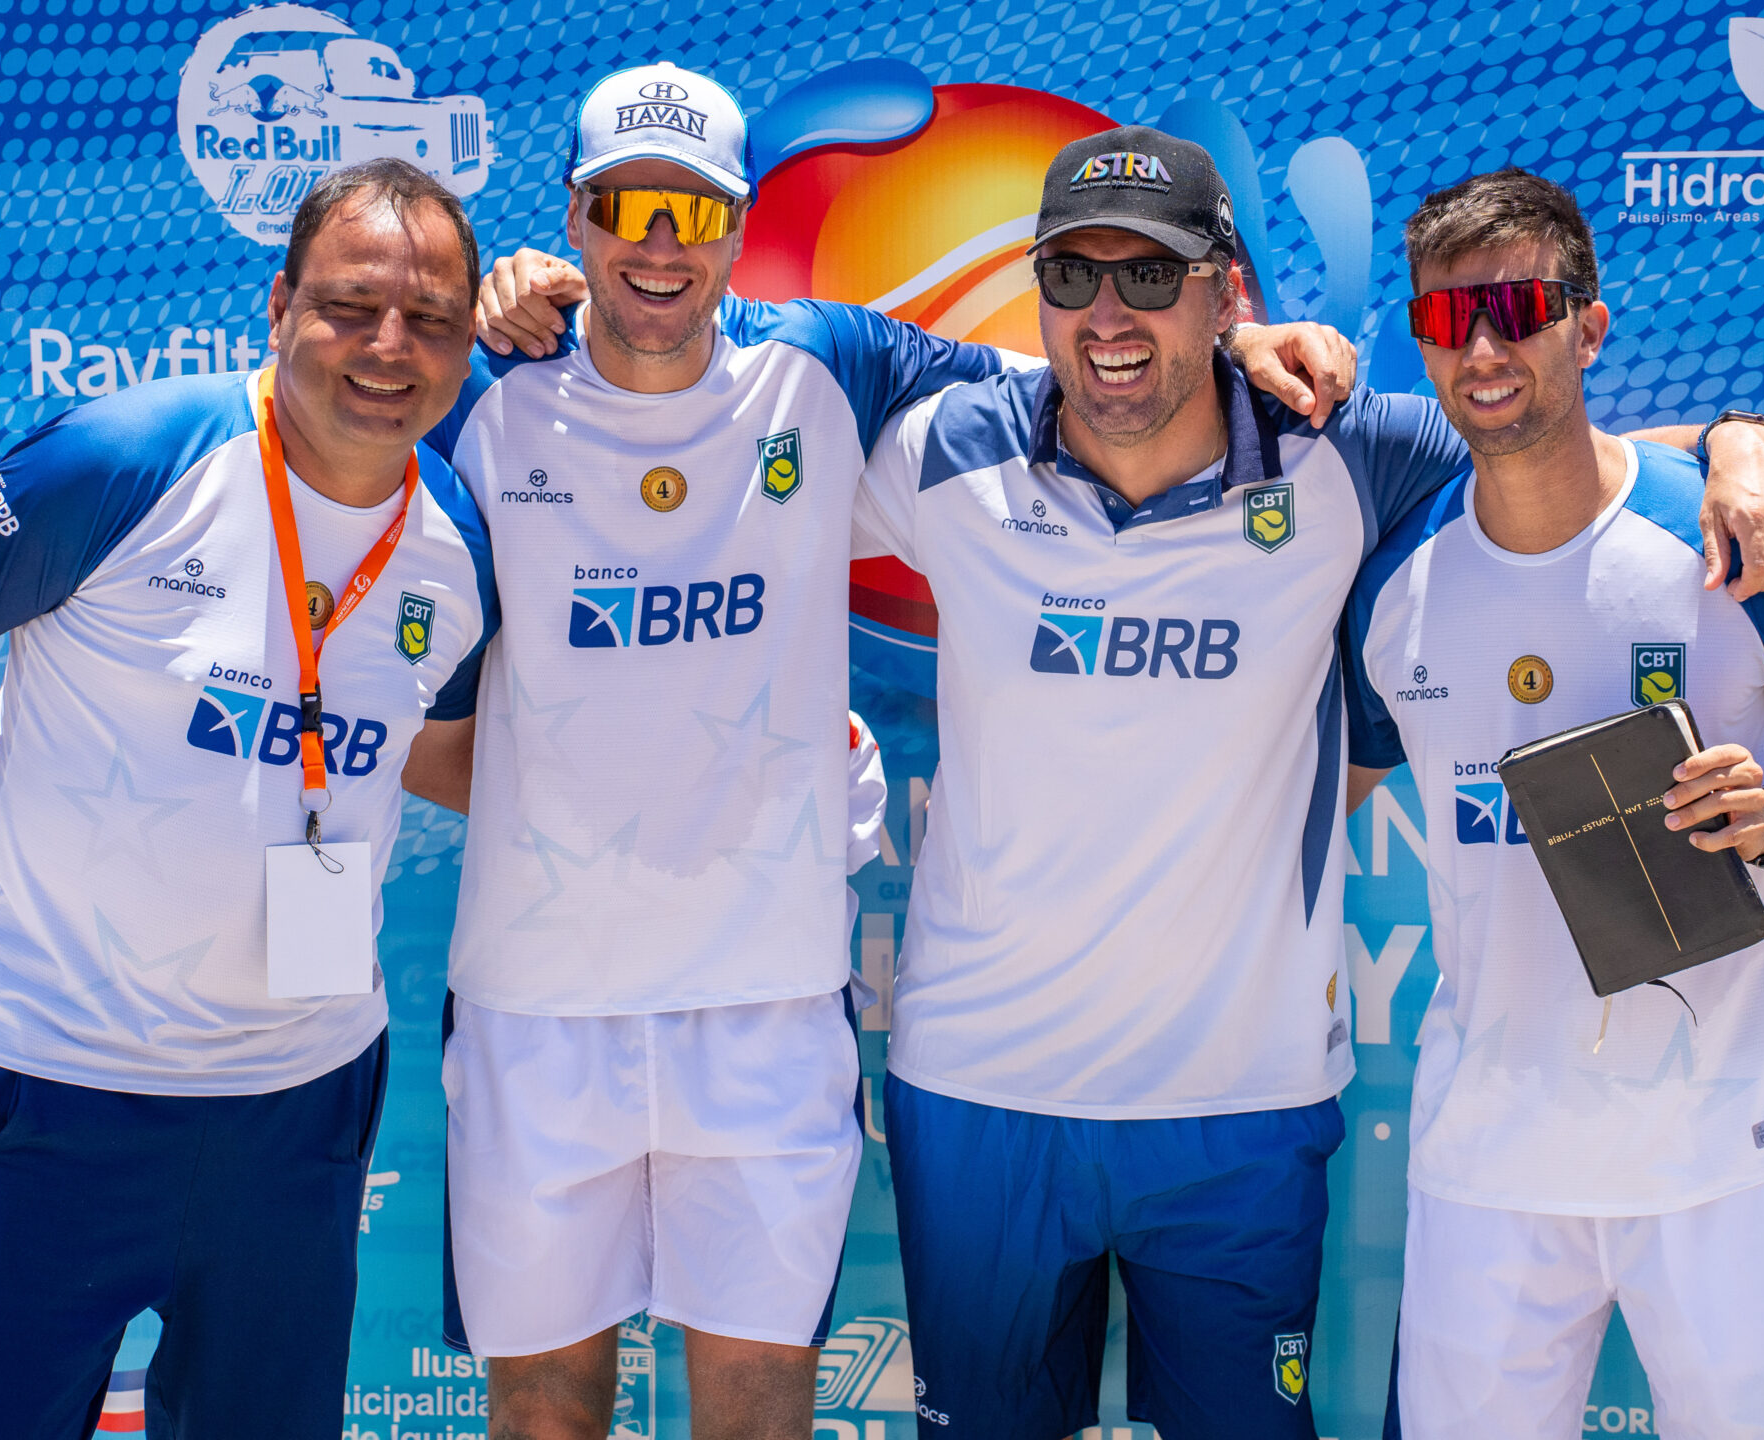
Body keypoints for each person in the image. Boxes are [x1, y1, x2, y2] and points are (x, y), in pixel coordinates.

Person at [839, 131, 1764, 1440]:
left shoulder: (1345, 450)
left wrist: (1738, 437)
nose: (1108, 311)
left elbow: (1553, 434)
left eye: (1152, 276)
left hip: (1238, 1112)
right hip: (978, 1093)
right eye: (1072, 276)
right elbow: (729, 402)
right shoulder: (946, 444)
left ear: (1223, 286)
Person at [418, 63, 1357, 1440]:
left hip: (766, 1007)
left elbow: (1086, 389)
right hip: (535, 1012)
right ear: (575, 218)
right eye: (626, 206)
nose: (659, 243)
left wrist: (1247, 353)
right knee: (547, 1408)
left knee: (756, 1399)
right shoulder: (484, 393)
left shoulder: (833, 361)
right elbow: (359, 574)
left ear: (742, 225)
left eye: (693, 209)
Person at [0, 160, 496, 1440]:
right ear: (277, 305)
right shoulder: (132, 458)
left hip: (301, 1101)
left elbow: (435, 751)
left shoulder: (453, 537)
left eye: (433, 319)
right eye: (349, 305)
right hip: (57, 1077)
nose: (389, 347)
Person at [1340, 168, 1764, 1439]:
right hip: (1489, 1170)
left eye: (1518, 308)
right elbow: (1307, 792)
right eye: (1448, 320)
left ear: (1589, 326)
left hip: (1730, 1161)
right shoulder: (1392, 585)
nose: (1484, 348)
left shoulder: (1741, 542)